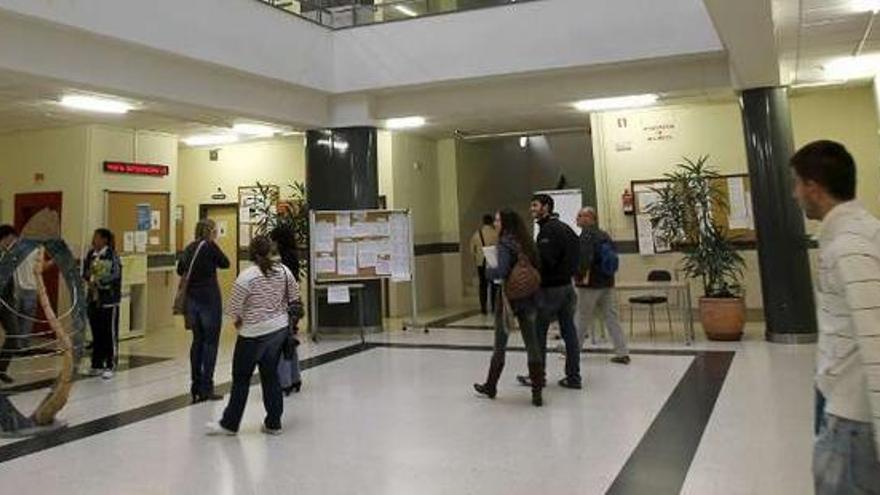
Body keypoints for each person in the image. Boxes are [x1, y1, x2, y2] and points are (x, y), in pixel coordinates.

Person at [789, 140, 880, 493]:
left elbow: (874, 338)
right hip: (840, 401)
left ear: (814, 187)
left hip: (852, 420)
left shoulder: (851, 246)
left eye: (798, 184)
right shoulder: (860, 231)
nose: (795, 195)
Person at [207, 235, 300, 436]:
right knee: (270, 376)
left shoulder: (247, 276)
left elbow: (232, 309)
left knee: (241, 378)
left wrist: (240, 319)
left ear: (252, 253)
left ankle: (230, 424)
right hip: (278, 331)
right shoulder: (284, 272)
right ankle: (274, 423)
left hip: (252, 335)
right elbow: (294, 298)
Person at [473, 209, 545, 406]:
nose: (495, 223)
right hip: (529, 298)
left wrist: (489, 270)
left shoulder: (505, 243)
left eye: (497, 220)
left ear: (505, 223)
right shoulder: (527, 242)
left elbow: (501, 271)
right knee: (532, 344)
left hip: (509, 300)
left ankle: (491, 385)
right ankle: (537, 391)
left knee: (500, 345)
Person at [518, 194, 582, 389]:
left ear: (546, 207)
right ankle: (573, 377)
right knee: (569, 332)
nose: (532, 209)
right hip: (567, 288)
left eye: (535, 205)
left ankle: (537, 376)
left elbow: (545, 262)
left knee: (538, 333)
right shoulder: (566, 228)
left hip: (550, 290)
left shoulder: (548, 231)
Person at [177, 219, 230, 403]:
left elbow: (180, 270)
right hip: (209, 300)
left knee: (197, 341)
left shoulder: (189, 248)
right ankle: (207, 387)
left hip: (192, 301)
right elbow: (226, 263)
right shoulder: (210, 247)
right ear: (211, 232)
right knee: (210, 343)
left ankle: (195, 385)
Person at [574, 207, 630, 364]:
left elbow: (584, 260)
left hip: (590, 284)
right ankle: (622, 351)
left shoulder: (586, 235)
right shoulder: (604, 235)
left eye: (580, 216)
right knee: (611, 317)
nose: (576, 218)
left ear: (590, 218)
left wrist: (577, 276)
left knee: (581, 317)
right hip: (607, 282)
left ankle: (573, 350)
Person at [82, 228, 122, 380]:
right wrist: (89, 279)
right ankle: (97, 363)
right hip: (93, 300)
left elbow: (115, 275)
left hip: (108, 301)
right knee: (96, 333)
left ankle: (110, 364)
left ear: (104, 240)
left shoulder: (111, 256)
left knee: (109, 333)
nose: (94, 240)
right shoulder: (91, 255)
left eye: (97, 237)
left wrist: (99, 281)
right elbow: (85, 271)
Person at [270, 222, 302, 395]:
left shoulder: (282, 259)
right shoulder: (293, 255)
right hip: (293, 301)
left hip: (283, 303)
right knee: (290, 341)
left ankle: (284, 382)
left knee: (281, 343)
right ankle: (295, 377)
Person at [469, 214, 499, 315]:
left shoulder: (477, 234)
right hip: (493, 262)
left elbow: (472, 250)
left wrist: (477, 258)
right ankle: (494, 307)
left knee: (483, 285)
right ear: (491, 222)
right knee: (494, 285)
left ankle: (483, 308)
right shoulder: (496, 233)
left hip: (481, 262)